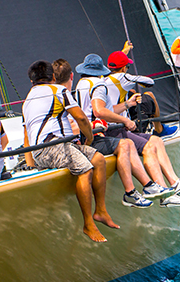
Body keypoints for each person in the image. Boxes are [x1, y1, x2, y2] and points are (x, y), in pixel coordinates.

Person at [76, 54, 180, 207]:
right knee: (149, 146)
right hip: (108, 130)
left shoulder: (82, 83)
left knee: (155, 140)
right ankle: (164, 194)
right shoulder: (99, 84)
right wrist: (125, 120)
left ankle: (175, 183)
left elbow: (105, 109)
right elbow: (99, 111)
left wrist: (128, 104)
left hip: (100, 129)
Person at [23, 60, 117, 242]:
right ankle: (88, 224)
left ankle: (101, 211)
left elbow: (26, 135)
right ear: (53, 77)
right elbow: (81, 118)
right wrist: (89, 139)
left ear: (31, 81)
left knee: (98, 159)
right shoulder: (58, 90)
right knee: (86, 168)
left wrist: (31, 164)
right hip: (52, 147)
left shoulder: (27, 100)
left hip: (46, 150)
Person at [106, 44, 177, 138]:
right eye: (127, 66)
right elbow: (150, 82)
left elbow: (115, 65)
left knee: (131, 91)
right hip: (122, 124)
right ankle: (159, 130)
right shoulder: (125, 77)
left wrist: (124, 52)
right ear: (123, 68)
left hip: (107, 121)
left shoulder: (103, 78)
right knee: (149, 95)